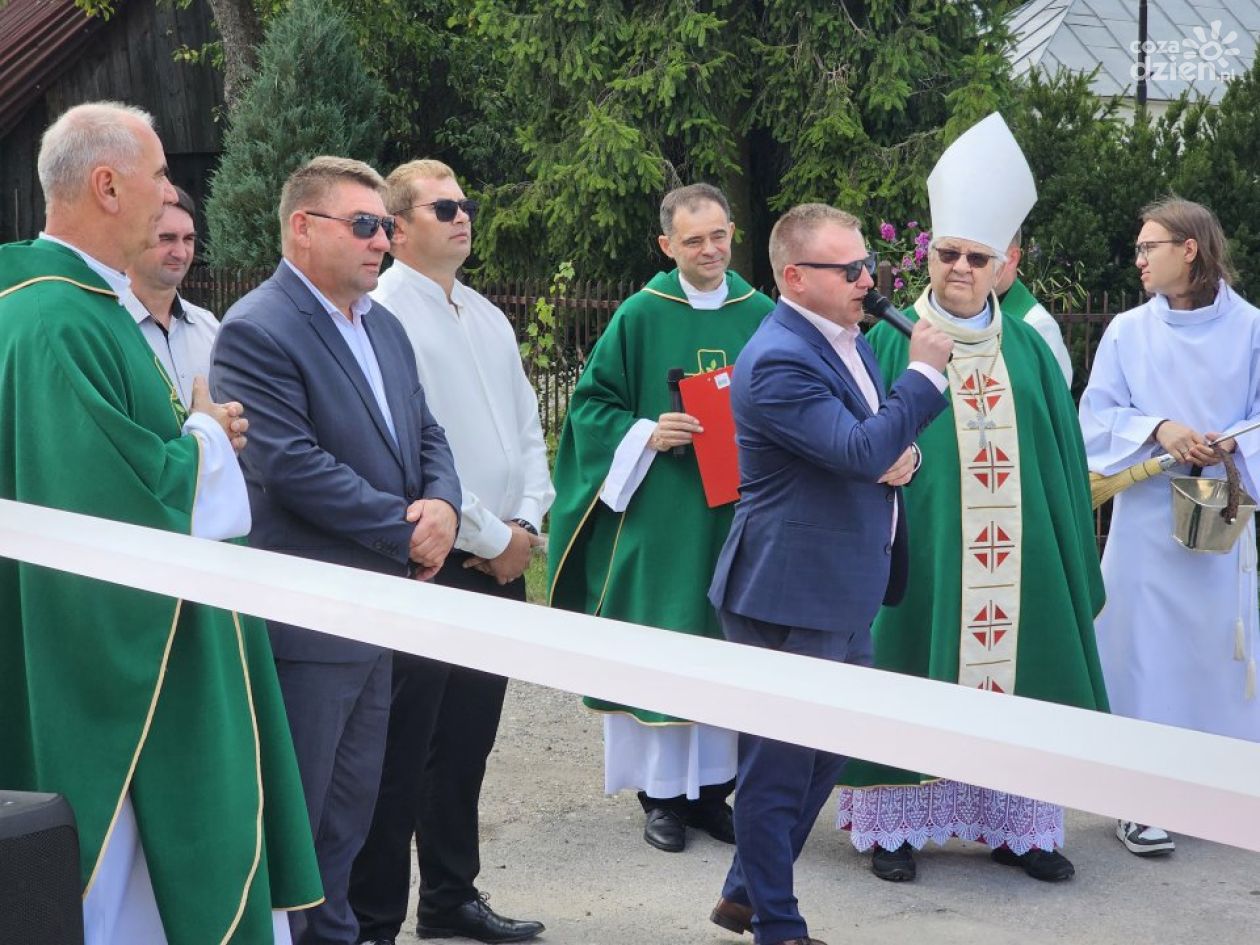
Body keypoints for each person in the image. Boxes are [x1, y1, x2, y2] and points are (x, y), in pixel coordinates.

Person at [0, 101, 321, 944]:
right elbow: (118, 498)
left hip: (83, 634)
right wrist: (208, 436)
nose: (173, 193)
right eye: (162, 176)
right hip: (117, 663)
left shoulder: (60, 306)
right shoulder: (59, 321)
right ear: (107, 186)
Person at [836, 113, 1108, 885]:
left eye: (975, 256)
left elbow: (1059, 465)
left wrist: (1064, 553)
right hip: (917, 554)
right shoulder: (890, 338)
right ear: (929, 252)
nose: (958, 266)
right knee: (907, 667)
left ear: (1006, 263)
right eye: (947, 252)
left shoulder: (1027, 349)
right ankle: (895, 825)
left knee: (1022, 680)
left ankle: (1017, 828)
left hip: (1018, 567)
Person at [210, 156, 462, 945]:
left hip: (379, 611)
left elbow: (426, 430)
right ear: (301, 227)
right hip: (311, 622)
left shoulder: (381, 323)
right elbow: (288, 465)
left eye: (385, 225)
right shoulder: (257, 327)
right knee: (307, 817)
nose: (381, 240)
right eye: (363, 224)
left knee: (351, 815)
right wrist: (405, 525)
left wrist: (445, 506)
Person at [706, 203, 951, 945]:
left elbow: (873, 440)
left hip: (845, 584)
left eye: (866, 265)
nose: (866, 281)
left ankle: (746, 887)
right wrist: (925, 376)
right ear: (793, 277)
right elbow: (855, 449)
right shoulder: (779, 356)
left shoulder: (851, 340)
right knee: (779, 766)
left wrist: (901, 456)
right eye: (847, 270)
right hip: (788, 586)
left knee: (829, 749)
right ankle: (777, 925)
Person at [349, 159, 551, 945]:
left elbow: (528, 429)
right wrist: (495, 537)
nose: (463, 217)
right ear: (397, 228)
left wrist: (528, 521)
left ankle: (449, 895)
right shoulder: (386, 314)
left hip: (503, 555)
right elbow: (417, 452)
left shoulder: (487, 314)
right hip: (437, 560)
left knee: (468, 743)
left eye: (466, 203)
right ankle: (374, 918)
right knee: (406, 753)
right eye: (444, 208)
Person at [547, 183, 774, 853]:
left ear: (734, 234)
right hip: (664, 514)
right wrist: (648, 429)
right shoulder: (641, 315)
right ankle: (661, 800)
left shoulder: (761, 312)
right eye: (694, 239)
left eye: (719, 235)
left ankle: (711, 796)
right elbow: (590, 408)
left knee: (726, 646)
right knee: (665, 639)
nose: (710, 250)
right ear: (666, 244)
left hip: (737, 515)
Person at [1079, 196, 1260, 857]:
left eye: (1148, 246)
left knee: (1217, 646)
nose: (1138, 259)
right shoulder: (1130, 330)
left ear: (1189, 249)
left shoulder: (1251, 329)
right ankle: (1138, 799)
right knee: (1142, 649)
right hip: (1149, 519)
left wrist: (1230, 443)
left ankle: (1221, 791)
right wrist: (1160, 428)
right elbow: (1096, 416)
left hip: (1221, 515)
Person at [123, 184, 219, 406]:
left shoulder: (211, 329)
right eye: (166, 238)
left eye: (188, 239)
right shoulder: (106, 329)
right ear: (132, 238)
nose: (181, 253)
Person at [995, 227, 1073, 386]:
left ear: (1011, 258)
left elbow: (1055, 402)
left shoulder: (1037, 325)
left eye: (980, 256)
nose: (966, 266)